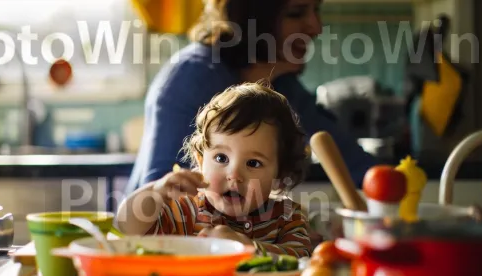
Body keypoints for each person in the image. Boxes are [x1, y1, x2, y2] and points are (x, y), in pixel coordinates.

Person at [125, 0, 376, 195]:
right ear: (252, 18)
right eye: (296, 13)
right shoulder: (192, 78)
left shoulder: (280, 83)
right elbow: (163, 194)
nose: (316, 27)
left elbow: (353, 163)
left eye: (315, 10)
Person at [116, 81, 312, 257]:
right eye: (221, 158)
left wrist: (247, 248)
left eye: (253, 163)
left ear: (279, 173)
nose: (234, 175)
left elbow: (301, 259)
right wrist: (156, 192)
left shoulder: (287, 217)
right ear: (201, 161)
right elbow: (126, 228)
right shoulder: (184, 211)